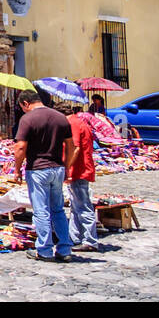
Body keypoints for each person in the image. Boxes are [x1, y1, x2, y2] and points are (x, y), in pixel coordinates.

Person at [14, 90, 75, 262]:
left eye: (22, 107)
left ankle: (45, 249)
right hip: (57, 168)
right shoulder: (60, 117)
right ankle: (64, 248)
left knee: (41, 211)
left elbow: (20, 148)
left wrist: (17, 169)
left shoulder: (27, 119)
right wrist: (67, 167)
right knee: (58, 210)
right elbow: (71, 146)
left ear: (26, 103)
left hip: (38, 169)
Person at [66, 103, 99, 253]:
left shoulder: (72, 124)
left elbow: (76, 147)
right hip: (81, 168)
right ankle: (74, 237)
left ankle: (90, 240)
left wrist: (68, 168)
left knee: (83, 206)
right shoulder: (80, 122)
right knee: (76, 206)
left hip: (79, 169)